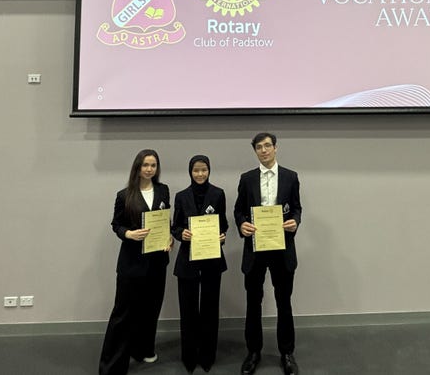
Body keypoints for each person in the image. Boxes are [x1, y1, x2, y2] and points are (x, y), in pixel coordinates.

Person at [98, 149, 172, 375]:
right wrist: (129, 234)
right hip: (132, 262)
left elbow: (164, 220)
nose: (149, 169)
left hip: (157, 261)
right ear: (137, 168)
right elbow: (116, 224)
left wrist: (168, 237)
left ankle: (143, 349)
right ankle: (111, 365)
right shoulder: (124, 195)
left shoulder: (163, 190)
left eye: (153, 165)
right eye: (145, 165)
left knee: (150, 309)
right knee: (123, 313)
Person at [234, 133, 302, 375]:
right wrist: (242, 224)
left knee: (284, 302)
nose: (263, 151)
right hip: (255, 248)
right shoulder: (246, 179)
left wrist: (295, 221)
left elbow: (296, 208)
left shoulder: (291, 177)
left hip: (282, 247)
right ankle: (253, 352)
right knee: (253, 303)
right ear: (255, 151)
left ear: (275, 148)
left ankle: (287, 353)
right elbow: (239, 210)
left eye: (267, 146)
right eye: (259, 147)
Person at [171, 155, 229, 373]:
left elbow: (223, 223)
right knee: (188, 311)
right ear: (190, 172)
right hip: (188, 261)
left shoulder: (218, 194)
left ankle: (207, 356)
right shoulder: (181, 196)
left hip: (212, 260)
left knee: (210, 309)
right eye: (196, 170)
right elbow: (175, 226)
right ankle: (189, 356)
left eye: (204, 170)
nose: (200, 174)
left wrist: (222, 235)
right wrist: (181, 234)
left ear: (209, 170)